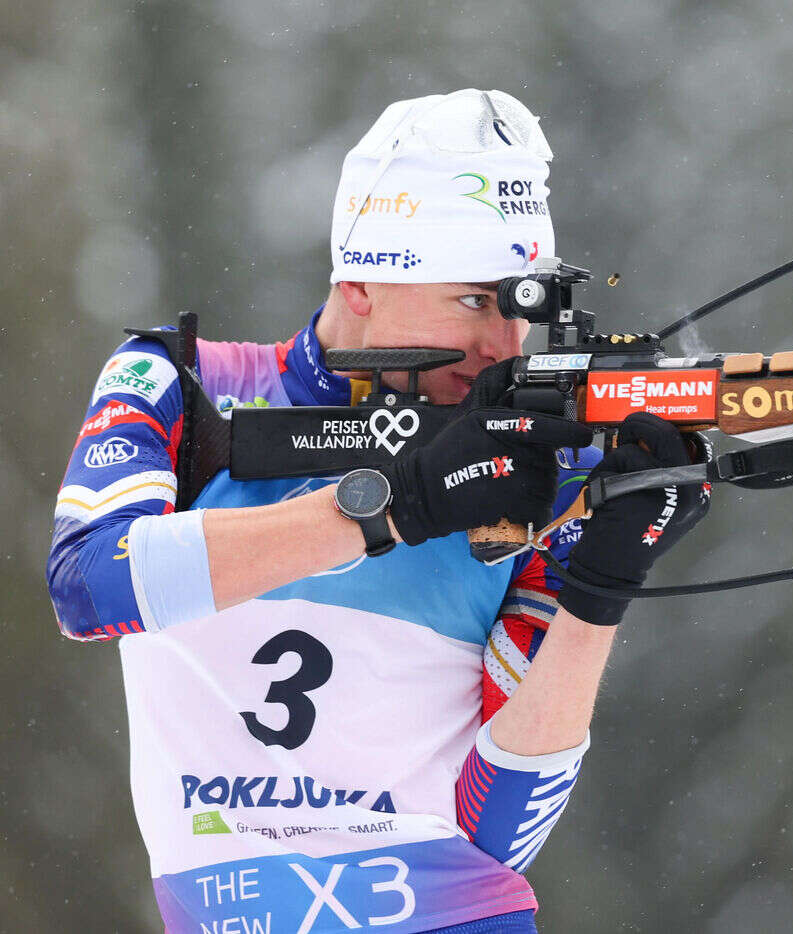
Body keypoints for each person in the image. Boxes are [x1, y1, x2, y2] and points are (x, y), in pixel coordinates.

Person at [46, 89, 708, 934]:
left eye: (523, 308)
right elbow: (89, 588)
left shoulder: (538, 467)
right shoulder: (184, 385)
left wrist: (599, 594)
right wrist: (388, 509)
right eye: (474, 301)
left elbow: (496, 832)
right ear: (361, 280)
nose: (505, 344)